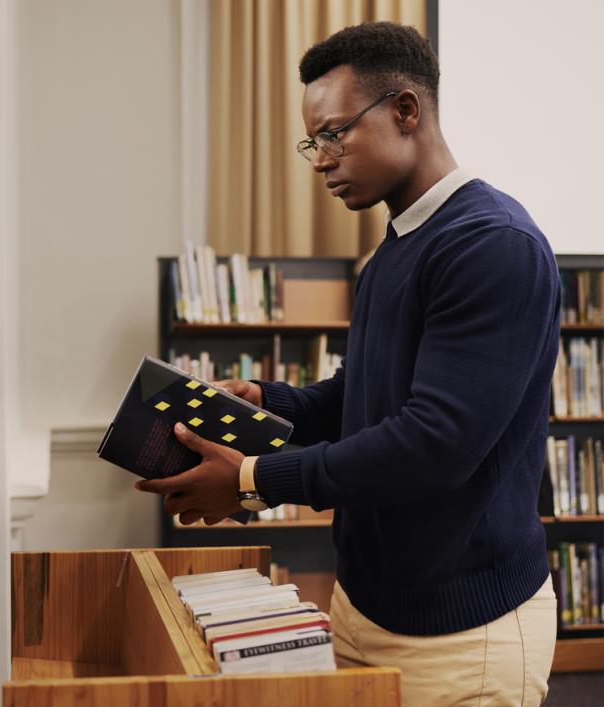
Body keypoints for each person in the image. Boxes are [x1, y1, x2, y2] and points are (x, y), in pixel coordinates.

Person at [135, 21, 559, 707]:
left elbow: (432, 445)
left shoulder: (492, 246)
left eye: (334, 133)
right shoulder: (393, 249)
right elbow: (362, 396)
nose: (320, 159)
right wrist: (266, 400)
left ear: (405, 111)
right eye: (313, 141)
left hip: (462, 636)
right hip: (364, 606)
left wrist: (252, 478)